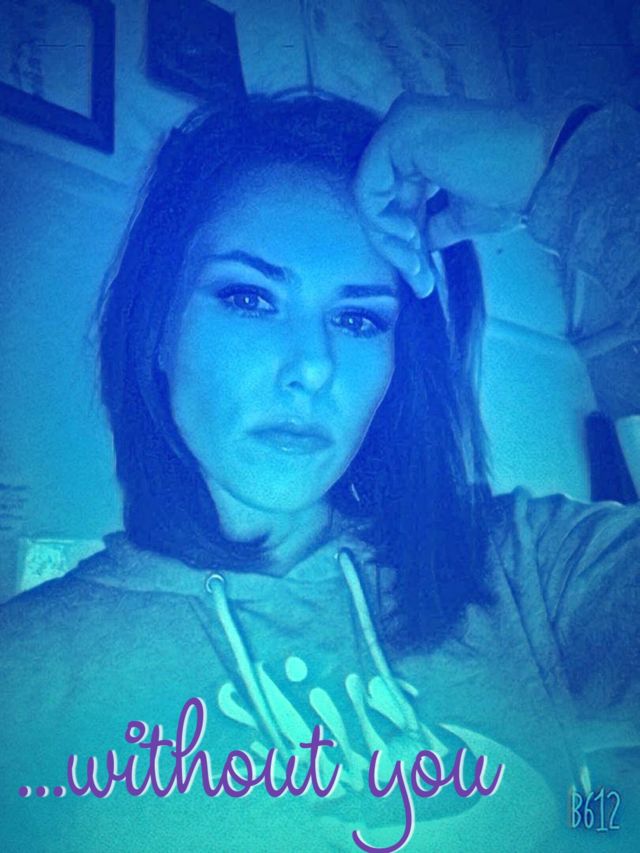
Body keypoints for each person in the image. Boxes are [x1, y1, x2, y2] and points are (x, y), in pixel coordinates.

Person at [0, 91, 638, 853]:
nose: (311, 367)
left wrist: (563, 161)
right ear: (158, 328)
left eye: (358, 317)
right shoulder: (22, 677)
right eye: (248, 297)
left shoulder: (530, 565)